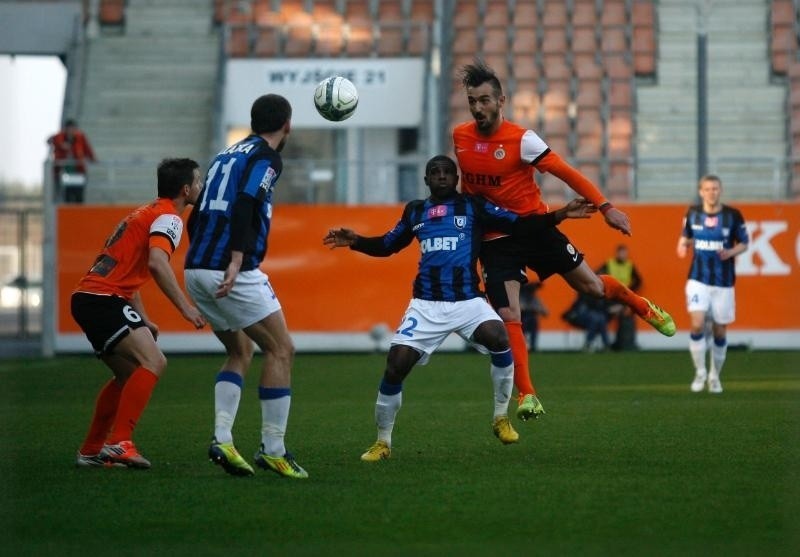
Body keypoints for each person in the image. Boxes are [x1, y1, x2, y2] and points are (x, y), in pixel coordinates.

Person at [323, 155, 595, 461]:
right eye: (434, 173)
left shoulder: (474, 206)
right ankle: (383, 442)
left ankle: (500, 418)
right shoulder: (415, 211)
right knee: (395, 365)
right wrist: (356, 241)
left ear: (456, 178)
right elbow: (388, 245)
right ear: (426, 180)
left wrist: (559, 215)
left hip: (468, 301)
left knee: (499, 337)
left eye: (447, 172)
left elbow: (519, 225)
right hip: (426, 304)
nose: (441, 176)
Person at [452, 60, 676, 420]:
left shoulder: (522, 140)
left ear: (501, 100)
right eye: (472, 101)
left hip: (537, 228)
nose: (477, 108)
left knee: (593, 289)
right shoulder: (461, 137)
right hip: (496, 238)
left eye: (484, 100)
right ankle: (527, 395)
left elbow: (567, 173)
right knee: (509, 311)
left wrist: (606, 208)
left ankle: (641, 306)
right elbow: (469, 188)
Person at [184, 94, 308, 479]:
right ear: (286, 124)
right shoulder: (267, 158)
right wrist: (236, 258)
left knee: (240, 349)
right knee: (282, 349)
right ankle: (273, 449)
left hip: (196, 268)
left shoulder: (226, 154)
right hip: (230, 268)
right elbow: (245, 202)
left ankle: (222, 436)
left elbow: (201, 209)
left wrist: (203, 257)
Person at [71, 158, 207, 469]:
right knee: (154, 361)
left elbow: (129, 276)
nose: (201, 186)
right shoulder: (170, 219)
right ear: (186, 189)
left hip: (89, 298)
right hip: (103, 299)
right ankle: (120, 443)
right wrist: (186, 309)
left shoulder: (144, 212)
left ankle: (92, 450)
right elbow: (157, 264)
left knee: (128, 374)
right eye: (198, 181)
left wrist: (143, 320)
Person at [676, 175, 749, 394]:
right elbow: (684, 237)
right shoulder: (692, 213)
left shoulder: (733, 215)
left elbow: (744, 243)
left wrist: (731, 252)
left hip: (724, 282)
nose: (712, 192)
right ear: (701, 192)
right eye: (707, 189)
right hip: (697, 279)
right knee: (697, 323)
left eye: (715, 188)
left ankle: (714, 375)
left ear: (720, 190)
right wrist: (682, 246)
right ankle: (699, 372)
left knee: (719, 331)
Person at [596, 244, 643, 351]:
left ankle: (625, 343)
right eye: (621, 253)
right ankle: (610, 344)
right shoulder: (609, 263)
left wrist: (630, 290)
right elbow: (597, 276)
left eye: (625, 253)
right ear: (617, 253)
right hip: (610, 298)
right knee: (604, 315)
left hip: (624, 298)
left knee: (628, 314)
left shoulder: (630, 265)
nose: (623, 255)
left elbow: (639, 281)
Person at [47, 119, 96, 203]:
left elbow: (87, 149)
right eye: (69, 129)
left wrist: (93, 159)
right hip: (65, 171)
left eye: (73, 129)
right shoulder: (60, 137)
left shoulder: (80, 137)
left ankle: (79, 213)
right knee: (68, 194)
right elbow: (49, 140)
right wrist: (61, 145)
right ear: (65, 129)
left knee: (78, 194)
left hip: (78, 170)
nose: (71, 131)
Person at [519, 281, 548, 351]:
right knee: (524, 323)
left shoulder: (535, 299)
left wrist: (537, 309)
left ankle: (533, 347)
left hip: (531, 319)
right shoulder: (520, 297)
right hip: (522, 318)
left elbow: (546, 312)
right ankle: (522, 345)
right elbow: (520, 308)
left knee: (533, 321)